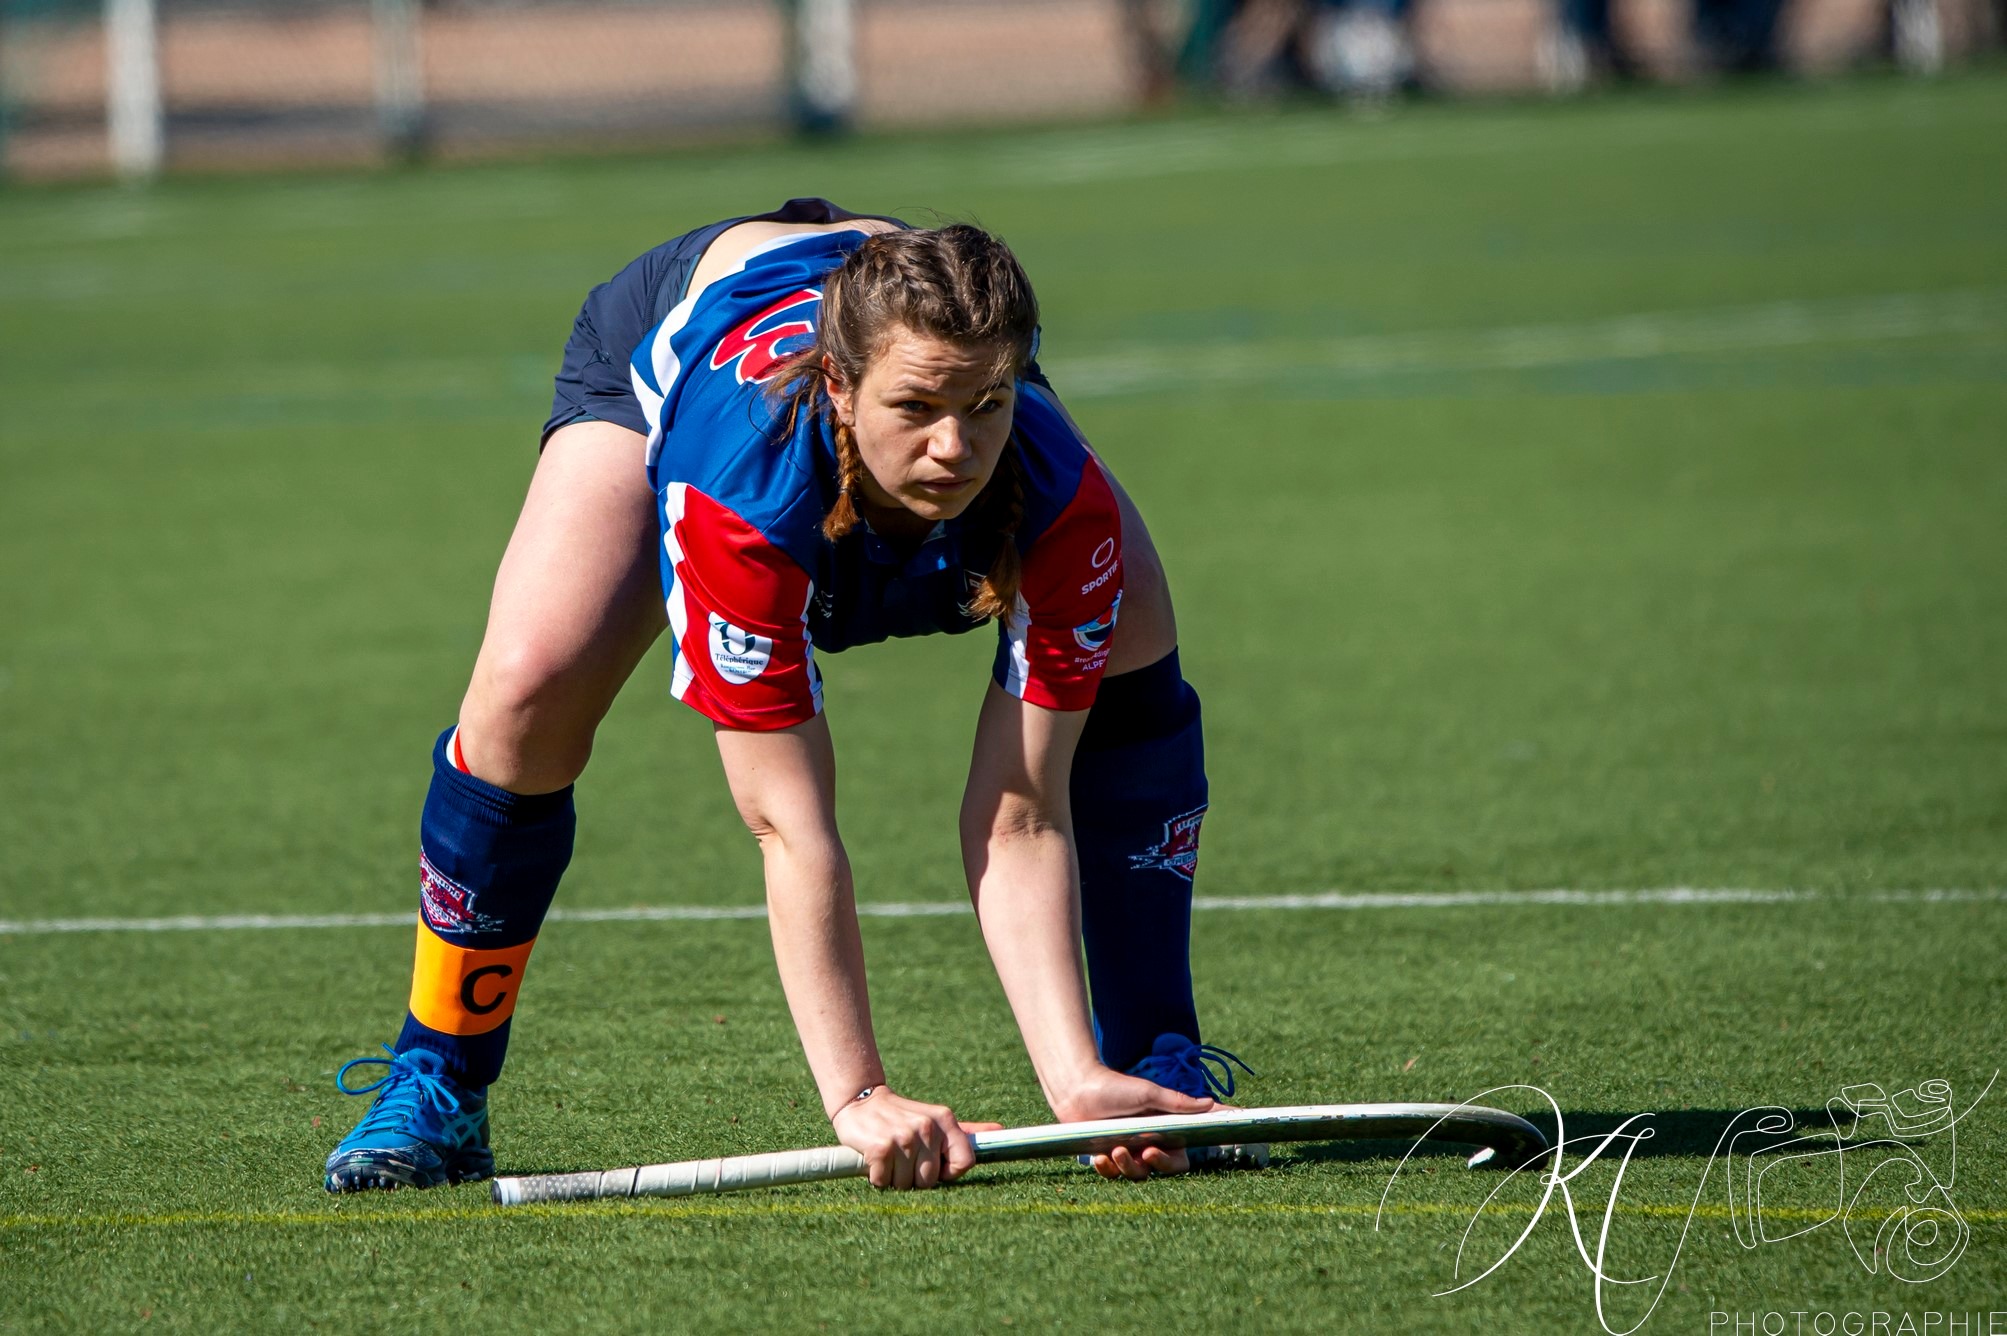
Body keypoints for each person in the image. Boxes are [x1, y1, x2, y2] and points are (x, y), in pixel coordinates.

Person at [322, 199, 1255, 1194]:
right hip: (681, 337)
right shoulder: (744, 495)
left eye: (987, 404)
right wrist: (858, 1095)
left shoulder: (1057, 496)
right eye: (917, 409)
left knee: (1135, 618)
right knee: (526, 688)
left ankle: (1153, 1071)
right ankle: (439, 1080)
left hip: (881, 307)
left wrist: (1071, 1080)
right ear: (842, 387)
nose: (954, 447)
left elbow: (1022, 811)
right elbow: (788, 824)